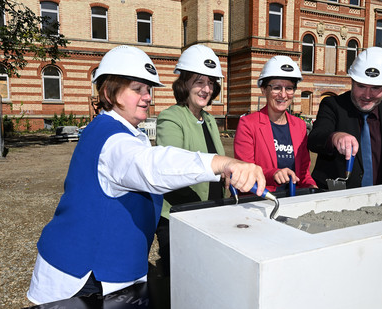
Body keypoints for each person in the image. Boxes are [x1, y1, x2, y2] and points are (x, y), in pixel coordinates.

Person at [26, 45, 267, 305]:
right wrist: (222, 163)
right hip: (84, 277)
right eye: (137, 88)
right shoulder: (112, 138)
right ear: (109, 92)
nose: (147, 96)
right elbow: (152, 166)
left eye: (148, 88)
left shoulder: (131, 133)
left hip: (116, 270)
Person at [154, 44, 225, 273]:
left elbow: (217, 163)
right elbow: (173, 167)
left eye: (211, 83)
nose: (206, 89)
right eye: (199, 81)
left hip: (212, 215)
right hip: (181, 219)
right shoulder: (171, 118)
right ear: (184, 83)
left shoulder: (210, 120)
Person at [308, 47, 382, 189]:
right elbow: (315, 139)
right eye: (361, 86)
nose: (367, 95)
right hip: (335, 198)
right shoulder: (333, 106)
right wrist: (335, 137)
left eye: (375, 88)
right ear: (352, 81)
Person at [234, 55, 317, 192]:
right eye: (277, 88)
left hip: (292, 201)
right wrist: (273, 174)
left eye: (289, 88)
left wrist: (311, 187)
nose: (283, 95)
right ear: (263, 89)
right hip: (260, 200)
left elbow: (303, 173)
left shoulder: (300, 126)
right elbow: (246, 172)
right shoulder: (248, 124)